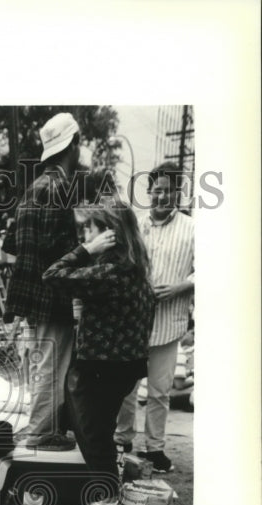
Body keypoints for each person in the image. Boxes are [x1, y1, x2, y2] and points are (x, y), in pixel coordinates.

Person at [42, 199, 155, 505]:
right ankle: (108, 501)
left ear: (109, 233)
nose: (84, 233)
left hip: (98, 366)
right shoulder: (134, 267)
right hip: (124, 365)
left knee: (94, 440)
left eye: (89, 228)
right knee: (102, 435)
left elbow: (52, 276)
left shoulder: (108, 271)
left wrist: (85, 249)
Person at [3, 112, 83, 451]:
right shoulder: (61, 190)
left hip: (33, 299)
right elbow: (57, 252)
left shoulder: (32, 190)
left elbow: (16, 253)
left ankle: (43, 431)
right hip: (54, 298)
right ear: (74, 145)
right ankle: (39, 435)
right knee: (52, 369)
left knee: (43, 368)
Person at [114, 162, 195, 472]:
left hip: (169, 321)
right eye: (157, 190)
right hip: (132, 321)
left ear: (178, 192)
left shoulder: (191, 228)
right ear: (148, 192)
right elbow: (120, 264)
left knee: (160, 390)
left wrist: (179, 287)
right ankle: (122, 439)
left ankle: (155, 448)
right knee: (127, 386)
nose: (162, 197)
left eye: (169, 191)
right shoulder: (134, 226)